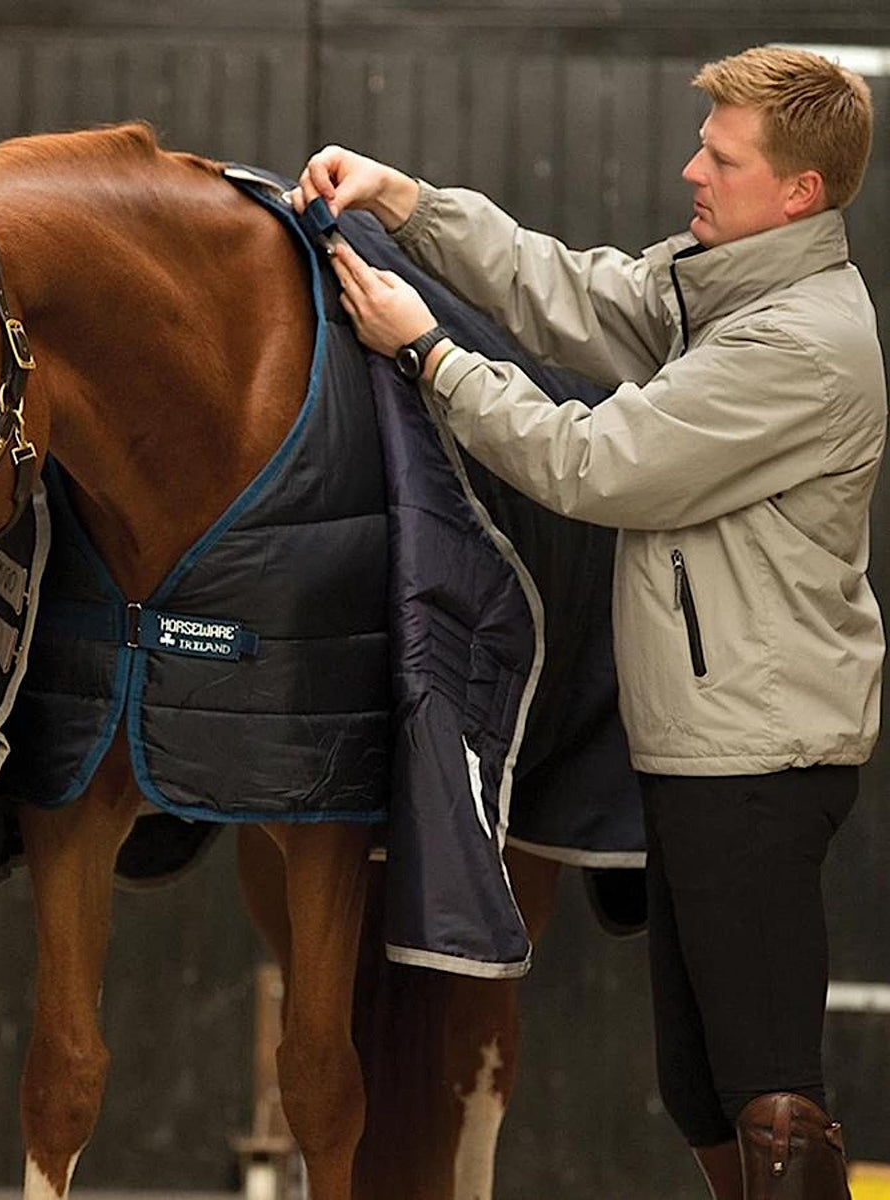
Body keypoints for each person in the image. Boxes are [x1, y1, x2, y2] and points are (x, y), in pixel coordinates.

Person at [293, 44, 884, 1200]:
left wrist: (426, 354)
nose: (690, 171)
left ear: (798, 193)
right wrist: (406, 202)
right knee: (708, 1088)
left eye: (721, 156)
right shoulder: (726, 295)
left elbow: (596, 463)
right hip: (711, 748)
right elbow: (567, 289)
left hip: (760, 759)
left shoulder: (792, 345)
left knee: (773, 1103)